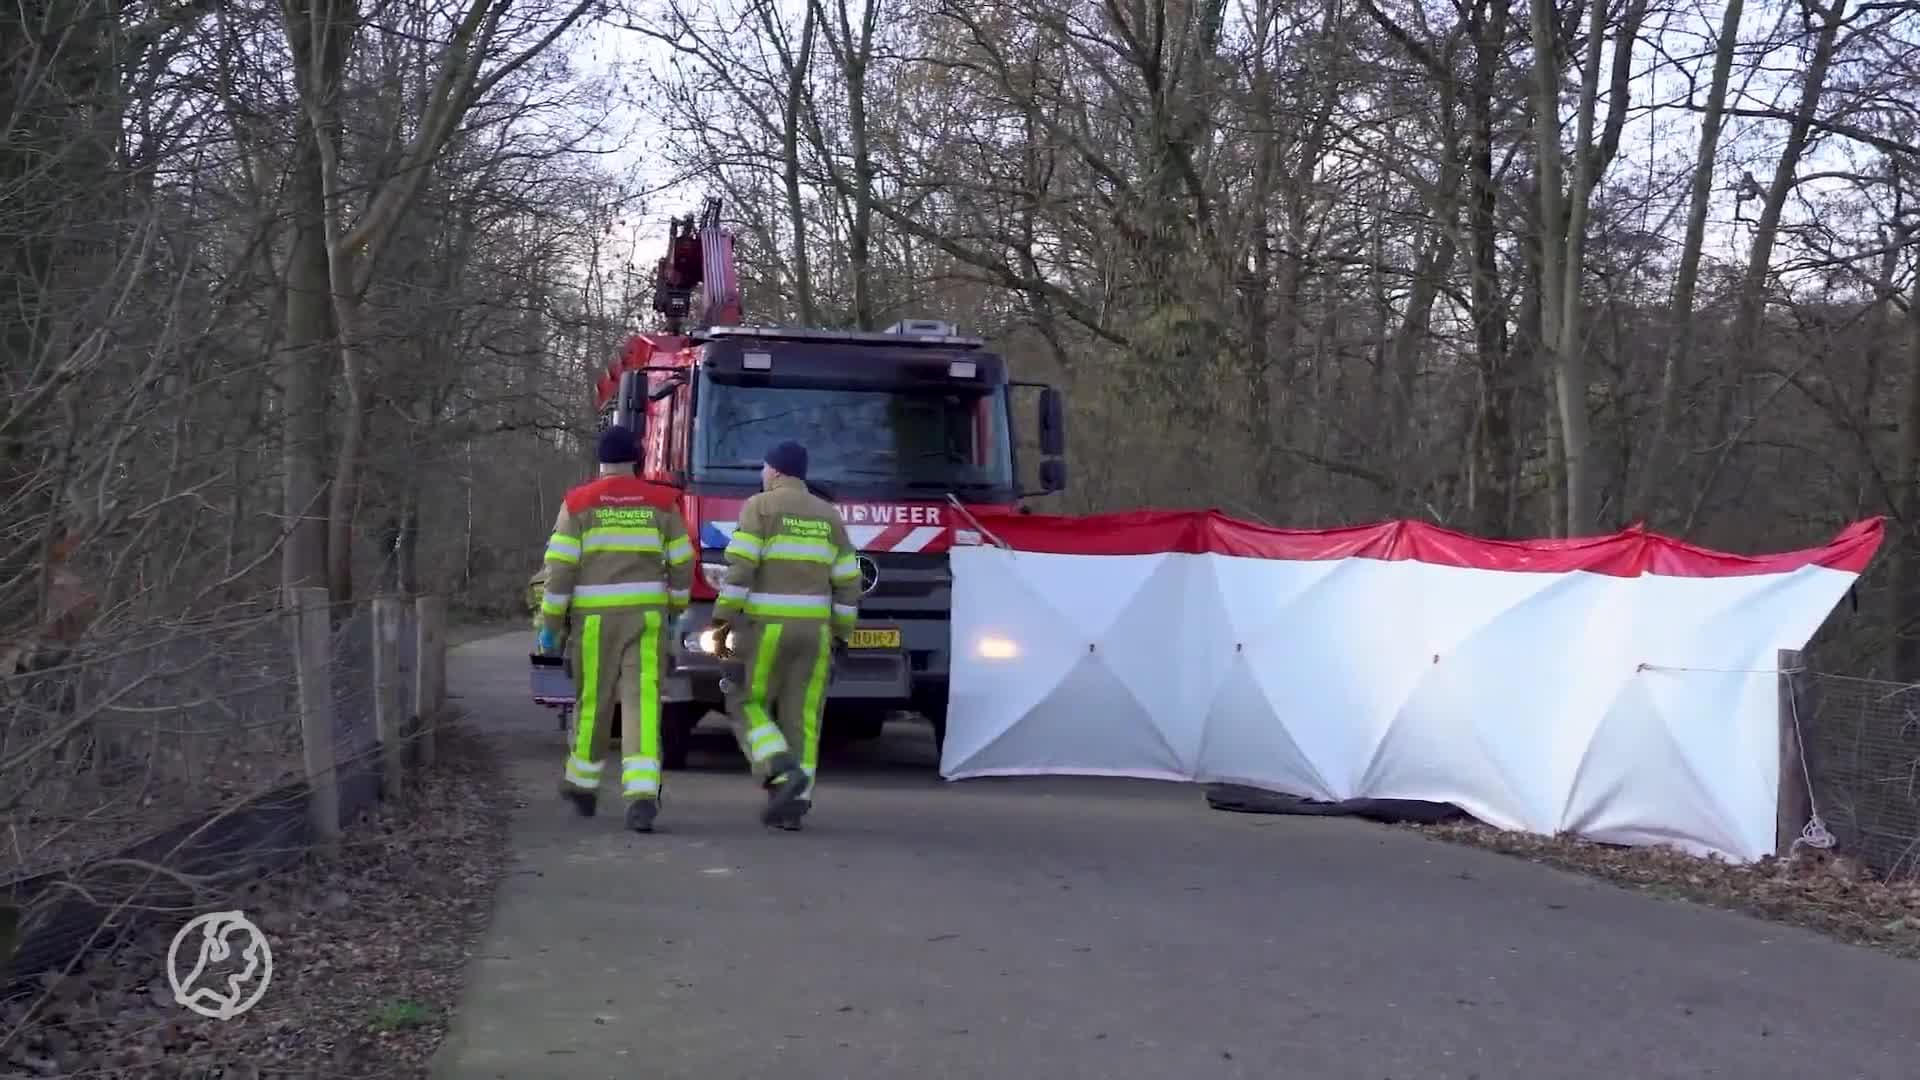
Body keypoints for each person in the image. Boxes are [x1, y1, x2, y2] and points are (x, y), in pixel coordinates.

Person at [537, 425, 694, 832]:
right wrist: (675, 606)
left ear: (601, 460)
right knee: (642, 703)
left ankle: (583, 784)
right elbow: (682, 561)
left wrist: (550, 624)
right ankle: (642, 793)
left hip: (594, 622)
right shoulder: (662, 502)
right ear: (637, 459)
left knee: (594, 702)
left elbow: (559, 570)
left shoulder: (578, 503)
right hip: (646, 619)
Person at [709, 441, 863, 830]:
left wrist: (721, 623)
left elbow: (740, 571)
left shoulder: (759, 507)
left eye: (764, 468)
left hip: (766, 630)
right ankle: (796, 804)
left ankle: (777, 767)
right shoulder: (829, 516)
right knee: (803, 718)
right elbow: (849, 583)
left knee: (745, 701)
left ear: (775, 471)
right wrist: (841, 634)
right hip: (816, 635)